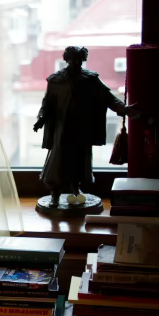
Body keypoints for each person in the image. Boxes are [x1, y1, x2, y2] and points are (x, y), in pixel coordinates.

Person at [34, 45, 140, 207]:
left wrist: (123, 109)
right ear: (67, 59)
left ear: (83, 60)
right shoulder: (56, 80)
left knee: (80, 160)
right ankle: (55, 194)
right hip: (61, 129)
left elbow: (108, 97)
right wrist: (41, 119)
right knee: (57, 161)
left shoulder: (90, 79)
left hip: (81, 128)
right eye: (73, 59)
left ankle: (76, 188)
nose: (76, 63)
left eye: (79, 60)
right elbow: (47, 104)